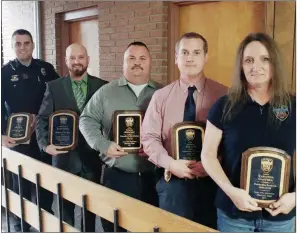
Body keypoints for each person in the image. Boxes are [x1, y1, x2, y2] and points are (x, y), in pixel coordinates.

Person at [201, 32, 296, 232]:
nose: (256, 67)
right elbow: (208, 155)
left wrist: (297, 197)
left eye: (265, 59)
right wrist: (231, 192)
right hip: (234, 214)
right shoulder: (224, 105)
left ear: (275, 63)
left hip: (280, 215)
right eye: (249, 60)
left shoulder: (295, 106)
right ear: (241, 66)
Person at [141, 32, 227, 228]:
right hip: (173, 183)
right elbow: (149, 138)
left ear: (205, 57)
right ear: (176, 58)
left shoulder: (224, 96)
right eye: (184, 52)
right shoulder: (161, 97)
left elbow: (232, 141)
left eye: (196, 52)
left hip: (213, 181)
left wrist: (212, 164)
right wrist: (170, 164)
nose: (189, 58)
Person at [79, 41, 161, 232]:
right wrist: (102, 144)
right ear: (123, 63)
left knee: (149, 228)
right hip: (116, 177)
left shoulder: (161, 93)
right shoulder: (107, 92)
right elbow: (86, 119)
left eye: (142, 58)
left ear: (150, 62)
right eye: (131, 58)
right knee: (115, 227)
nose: (137, 63)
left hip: (153, 178)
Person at [35, 43, 107, 232]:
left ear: (88, 60)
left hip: (91, 159)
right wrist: (45, 145)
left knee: (90, 209)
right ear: (66, 61)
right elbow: (42, 119)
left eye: (81, 57)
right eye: (72, 58)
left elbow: (107, 122)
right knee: (65, 210)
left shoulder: (102, 86)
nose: (77, 61)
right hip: (64, 158)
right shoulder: (53, 87)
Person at [1, 29, 59, 232]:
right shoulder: (5, 72)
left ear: (33, 45)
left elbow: (58, 94)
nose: (22, 47)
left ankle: (45, 218)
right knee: (21, 182)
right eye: (18, 43)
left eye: (26, 43)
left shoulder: (46, 69)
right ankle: (20, 223)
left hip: (43, 135)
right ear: (13, 46)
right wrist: (1, 134)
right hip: (18, 138)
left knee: (45, 179)